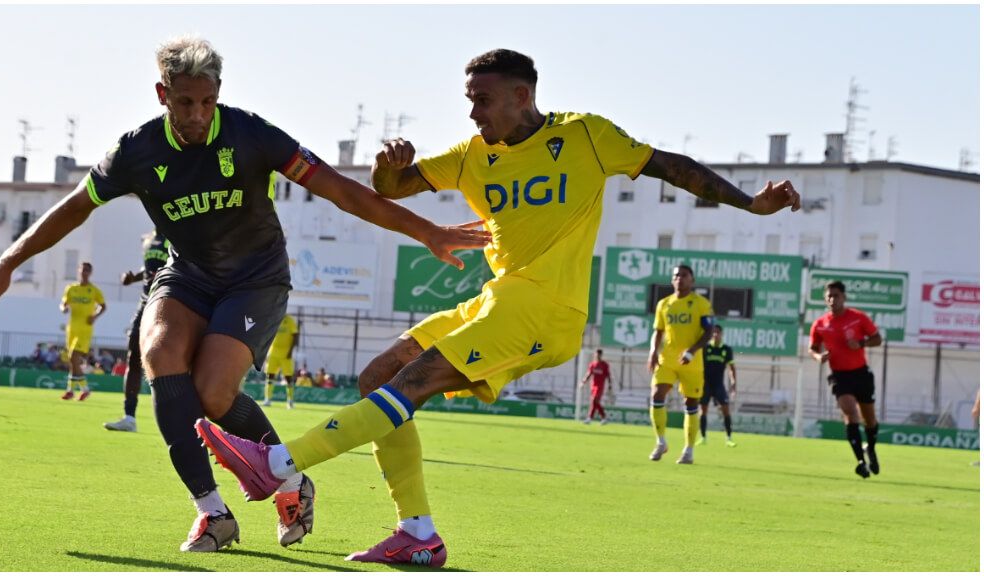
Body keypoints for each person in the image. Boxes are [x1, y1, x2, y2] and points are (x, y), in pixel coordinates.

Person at [195, 48, 800, 567]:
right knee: (380, 374)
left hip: (548, 309)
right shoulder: (471, 154)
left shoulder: (586, 135)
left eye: (482, 99)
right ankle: (419, 536)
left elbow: (670, 165)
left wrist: (750, 203)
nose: (472, 111)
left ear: (522, 95)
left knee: (413, 381)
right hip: (497, 299)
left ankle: (277, 463)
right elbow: (396, 189)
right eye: (469, 100)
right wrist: (389, 168)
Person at [0, 36, 487, 554]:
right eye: (184, 102)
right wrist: (8, 261)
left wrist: (427, 231)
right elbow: (75, 206)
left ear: (219, 94)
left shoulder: (252, 135)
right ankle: (213, 513)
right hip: (189, 274)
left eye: (207, 102)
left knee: (215, 391)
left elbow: (342, 191)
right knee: (158, 354)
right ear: (162, 94)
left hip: (256, 279)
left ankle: (291, 485)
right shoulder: (136, 150)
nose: (197, 115)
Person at [809, 280, 883, 478]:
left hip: (861, 373)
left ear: (844, 297)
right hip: (839, 376)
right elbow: (813, 348)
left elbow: (877, 339)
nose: (832, 299)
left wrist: (860, 343)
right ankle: (860, 461)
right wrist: (818, 357)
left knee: (870, 419)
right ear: (825, 299)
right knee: (850, 412)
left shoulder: (858, 317)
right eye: (829, 296)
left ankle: (871, 449)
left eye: (836, 295)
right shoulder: (820, 324)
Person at [647, 264, 714, 465]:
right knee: (657, 395)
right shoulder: (664, 304)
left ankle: (688, 450)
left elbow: (709, 332)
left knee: (691, 403)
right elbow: (658, 331)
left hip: (692, 362)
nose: (680, 279)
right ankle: (660, 442)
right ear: (671, 280)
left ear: (692, 280)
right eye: (676, 276)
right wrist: (652, 351)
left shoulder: (701, 304)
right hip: (667, 359)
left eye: (684, 276)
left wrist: (692, 351)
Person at [105, 229, 170, 433]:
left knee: (165, 361)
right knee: (133, 357)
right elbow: (150, 268)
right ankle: (129, 417)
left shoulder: (176, 232)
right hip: (144, 302)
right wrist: (133, 277)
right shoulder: (148, 238)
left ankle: (175, 419)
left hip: (167, 302)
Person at [59, 262, 106, 401]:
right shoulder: (71, 288)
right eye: (82, 270)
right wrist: (63, 308)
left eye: (87, 270)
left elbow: (103, 306)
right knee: (73, 361)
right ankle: (71, 390)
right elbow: (63, 303)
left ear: (90, 273)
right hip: (71, 328)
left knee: (74, 357)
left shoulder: (94, 290)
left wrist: (95, 316)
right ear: (78, 271)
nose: (84, 272)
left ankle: (83, 389)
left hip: (85, 329)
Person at [700, 324, 738, 446]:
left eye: (718, 332)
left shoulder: (726, 349)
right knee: (703, 410)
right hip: (705, 384)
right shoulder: (705, 348)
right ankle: (703, 437)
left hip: (718, 385)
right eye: (714, 332)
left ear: (721, 334)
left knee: (726, 409)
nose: (715, 335)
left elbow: (731, 368)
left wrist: (733, 382)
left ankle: (729, 438)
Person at [262, 313, 299, 409]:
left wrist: (290, 351)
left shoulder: (290, 320)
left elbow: (295, 336)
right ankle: (267, 399)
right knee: (269, 376)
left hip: (286, 354)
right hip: (273, 353)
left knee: (288, 378)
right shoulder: (273, 318)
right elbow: (267, 336)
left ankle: (290, 401)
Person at [580, 349, 611, 424]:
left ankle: (590, 418)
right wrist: (583, 382)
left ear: (601, 355)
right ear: (595, 355)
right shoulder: (592, 364)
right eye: (596, 354)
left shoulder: (604, 365)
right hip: (593, 386)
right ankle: (603, 418)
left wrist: (610, 384)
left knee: (594, 400)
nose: (597, 356)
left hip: (600, 386)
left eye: (599, 355)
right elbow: (589, 374)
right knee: (594, 402)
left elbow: (608, 375)